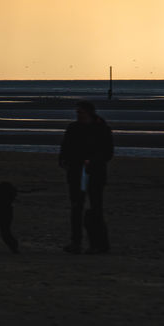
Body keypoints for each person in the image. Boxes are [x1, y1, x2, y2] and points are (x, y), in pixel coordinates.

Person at [59, 100, 114, 254]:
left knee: (95, 209)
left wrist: (92, 161)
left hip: (95, 174)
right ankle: (76, 242)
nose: (78, 115)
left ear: (89, 113)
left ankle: (99, 244)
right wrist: (64, 160)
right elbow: (65, 147)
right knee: (76, 207)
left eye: (80, 112)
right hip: (76, 173)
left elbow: (108, 153)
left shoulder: (102, 129)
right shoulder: (73, 128)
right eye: (77, 113)